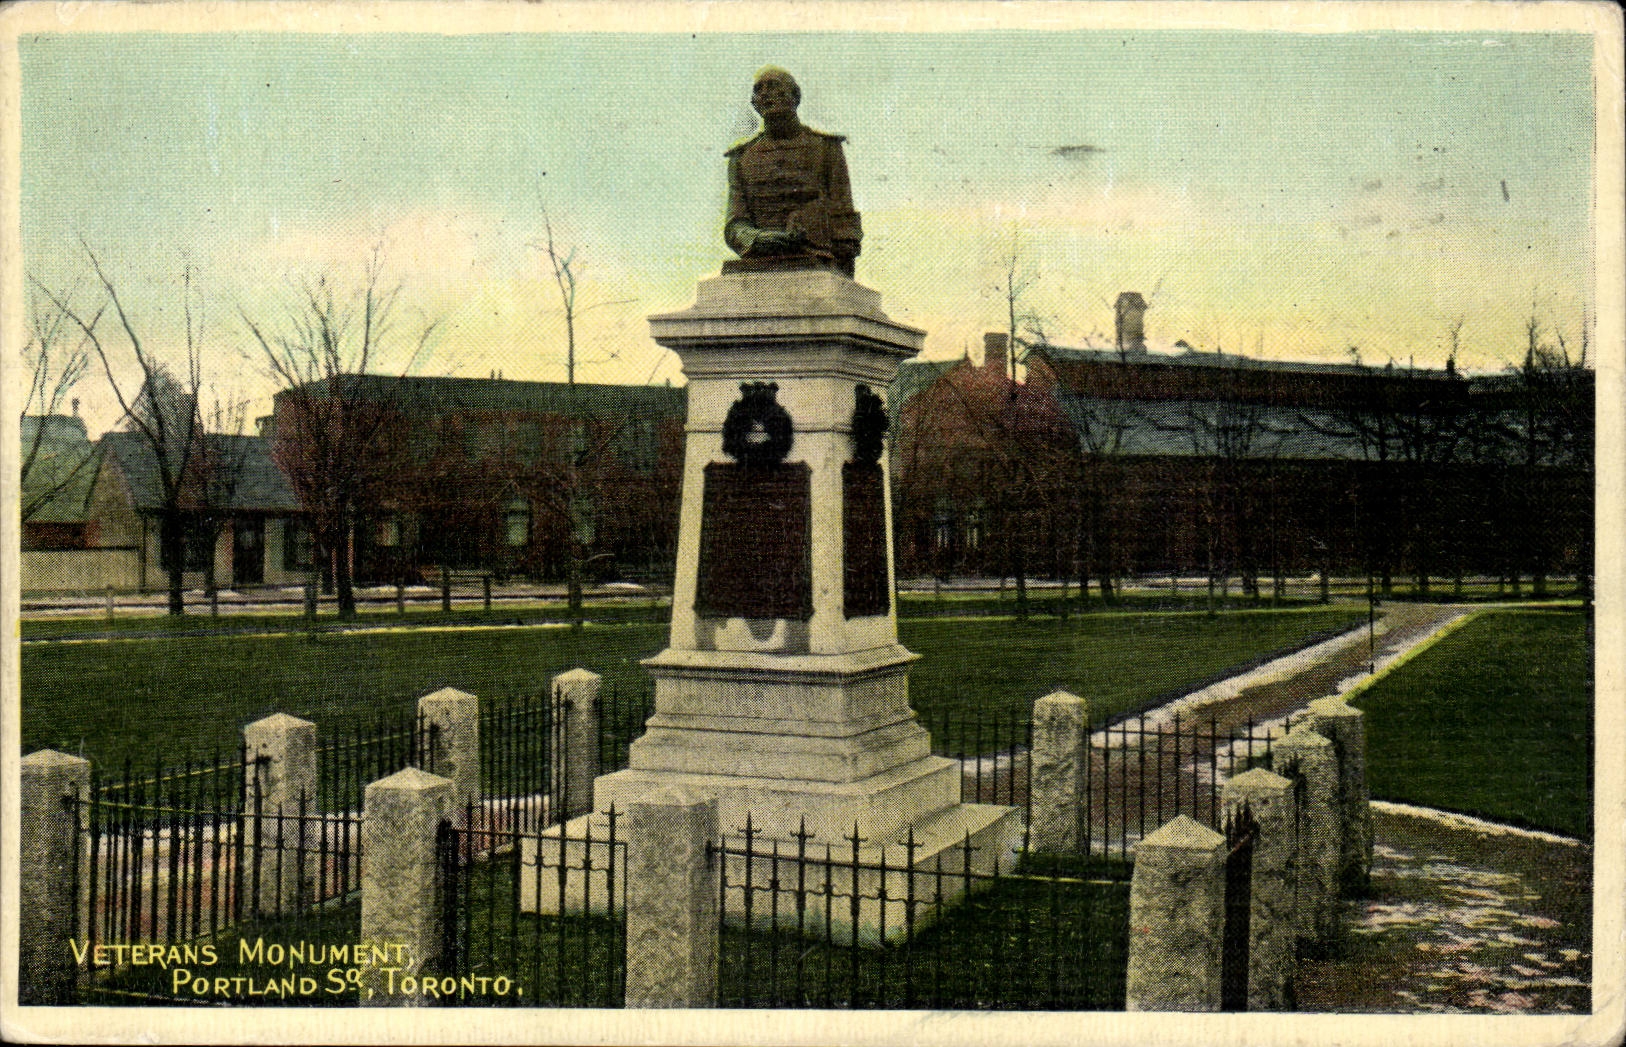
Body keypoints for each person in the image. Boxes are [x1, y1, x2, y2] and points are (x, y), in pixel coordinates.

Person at [724, 67, 862, 277]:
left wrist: (842, 275)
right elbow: (735, 223)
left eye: (773, 86)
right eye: (759, 90)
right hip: (762, 257)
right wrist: (757, 239)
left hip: (817, 254)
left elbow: (844, 219)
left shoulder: (826, 148)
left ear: (795, 96)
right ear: (754, 103)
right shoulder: (742, 158)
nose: (766, 94)